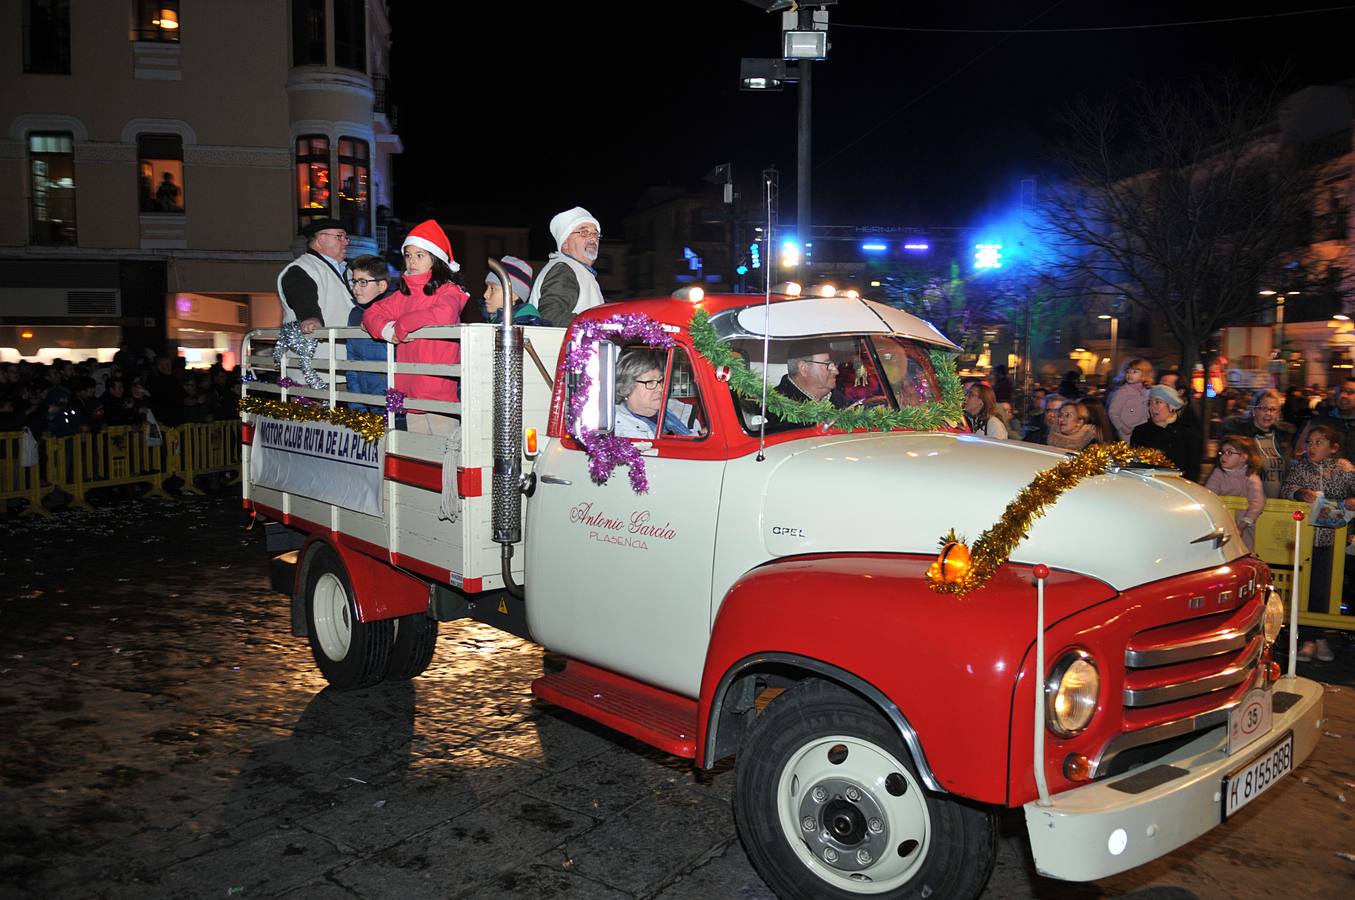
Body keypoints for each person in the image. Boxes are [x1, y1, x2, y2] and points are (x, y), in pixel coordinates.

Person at [362, 220, 469, 434]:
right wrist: (388, 331)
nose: (412, 261)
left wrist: (401, 325)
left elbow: (444, 314)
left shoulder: (449, 290)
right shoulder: (404, 294)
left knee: (446, 453)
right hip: (409, 390)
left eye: (420, 255)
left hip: (438, 392)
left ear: (435, 259)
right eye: (408, 255)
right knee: (418, 456)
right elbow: (370, 314)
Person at [1280, 424, 1355, 663]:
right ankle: (1308, 639)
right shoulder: (1300, 467)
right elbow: (1286, 490)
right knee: (1305, 586)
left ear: (1333, 448)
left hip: (1332, 539)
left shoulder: (1344, 469)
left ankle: (1320, 636)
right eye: (1309, 442)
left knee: (1325, 588)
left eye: (1319, 442)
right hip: (1304, 539)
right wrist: (1301, 493)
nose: (1312, 447)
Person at [529, 206, 605, 327]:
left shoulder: (578, 270)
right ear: (565, 243)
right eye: (584, 232)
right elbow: (550, 316)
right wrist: (597, 325)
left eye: (595, 233)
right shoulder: (564, 269)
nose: (592, 238)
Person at [278, 218, 354, 334]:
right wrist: (311, 319)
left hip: (345, 348)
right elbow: (302, 298)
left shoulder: (349, 270)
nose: (346, 242)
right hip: (321, 350)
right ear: (320, 240)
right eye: (340, 236)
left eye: (346, 237)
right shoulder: (300, 270)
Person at [1219, 389, 1294, 498]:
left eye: (1273, 409)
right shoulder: (1239, 436)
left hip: (1276, 504)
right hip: (1247, 502)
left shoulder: (1283, 437)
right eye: (1264, 408)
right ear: (1254, 411)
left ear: (1278, 413)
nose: (1268, 413)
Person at [612, 350, 702, 439]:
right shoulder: (620, 431)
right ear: (626, 387)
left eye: (660, 381)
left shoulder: (675, 409)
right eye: (650, 382)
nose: (660, 389)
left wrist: (701, 435)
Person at [344, 255, 395, 410]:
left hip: (393, 402)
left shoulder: (395, 312)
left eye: (363, 282)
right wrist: (356, 405)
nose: (355, 288)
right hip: (366, 399)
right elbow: (351, 361)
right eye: (354, 281)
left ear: (381, 286)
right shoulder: (354, 315)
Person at [1204, 435, 1265, 551]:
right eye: (1222, 452)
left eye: (1229, 453)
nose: (1223, 456)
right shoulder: (1218, 474)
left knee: (1242, 550)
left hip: (1243, 526)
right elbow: (1209, 495)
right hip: (1221, 521)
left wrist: (1243, 524)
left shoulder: (1251, 478)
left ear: (1244, 457)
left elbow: (1258, 503)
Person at [1130, 385, 1201, 481]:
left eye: (1158, 402)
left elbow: (1193, 469)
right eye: (1150, 403)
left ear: (1171, 406)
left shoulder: (1187, 433)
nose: (1152, 407)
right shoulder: (1140, 432)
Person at [774, 340, 848, 408]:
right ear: (804, 368)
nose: (836, 371)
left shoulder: (841, 402)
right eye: (828, 364)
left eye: (834, 364)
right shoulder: (776, 408)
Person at [480, 255, 544, 325]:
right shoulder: (495, 319)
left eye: (493, 289)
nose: (485, 295)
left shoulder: (528, 322)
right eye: (487, 287)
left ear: (513, 295)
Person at [1107, 358, 1153, 442]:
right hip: (1127, 431)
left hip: (1143, 429)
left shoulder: (1146, 391)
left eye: (1135, 372)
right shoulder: (1123, 392)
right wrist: (1122, 427)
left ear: (1144, 375)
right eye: (1128, 372)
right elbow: (1113, 412)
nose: (1130, 374)